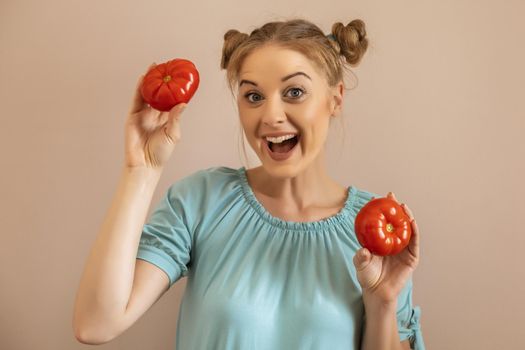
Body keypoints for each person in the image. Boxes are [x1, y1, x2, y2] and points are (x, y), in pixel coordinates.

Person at [73, 18, 425, 350]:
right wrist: (142, 169)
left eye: (294, 92)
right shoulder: (201, 201)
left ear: (335, 98)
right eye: (253, 96)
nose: (270, 116)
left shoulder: (378, 230)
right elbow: (96, 324)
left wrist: (382, 303)